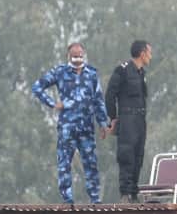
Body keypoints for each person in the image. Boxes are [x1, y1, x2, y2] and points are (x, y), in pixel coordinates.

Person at [32, 42, 110, 204]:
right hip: (67, 126)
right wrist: (53, 103)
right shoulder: (60, 72)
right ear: (68, 56)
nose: (77, 58)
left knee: (91, 163)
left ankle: (95, 199)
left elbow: (98, 100)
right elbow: (37, 87)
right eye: (74, 55)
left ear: (84, 54)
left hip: (86, 127)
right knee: (64, 163)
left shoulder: (91, 74)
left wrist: (103, 123)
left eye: (80, 55)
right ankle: (67, 199)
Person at [105, 40, 152, 202]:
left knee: (138, 156)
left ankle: (133, 193)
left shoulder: (141, 73)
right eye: (149, 53)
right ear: (142, 53)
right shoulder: (122, 70)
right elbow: (110, 95)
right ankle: (125, 194)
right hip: (127, 119)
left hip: (140, 120)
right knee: (127, 155)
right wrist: (113, 118)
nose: (150, 57)